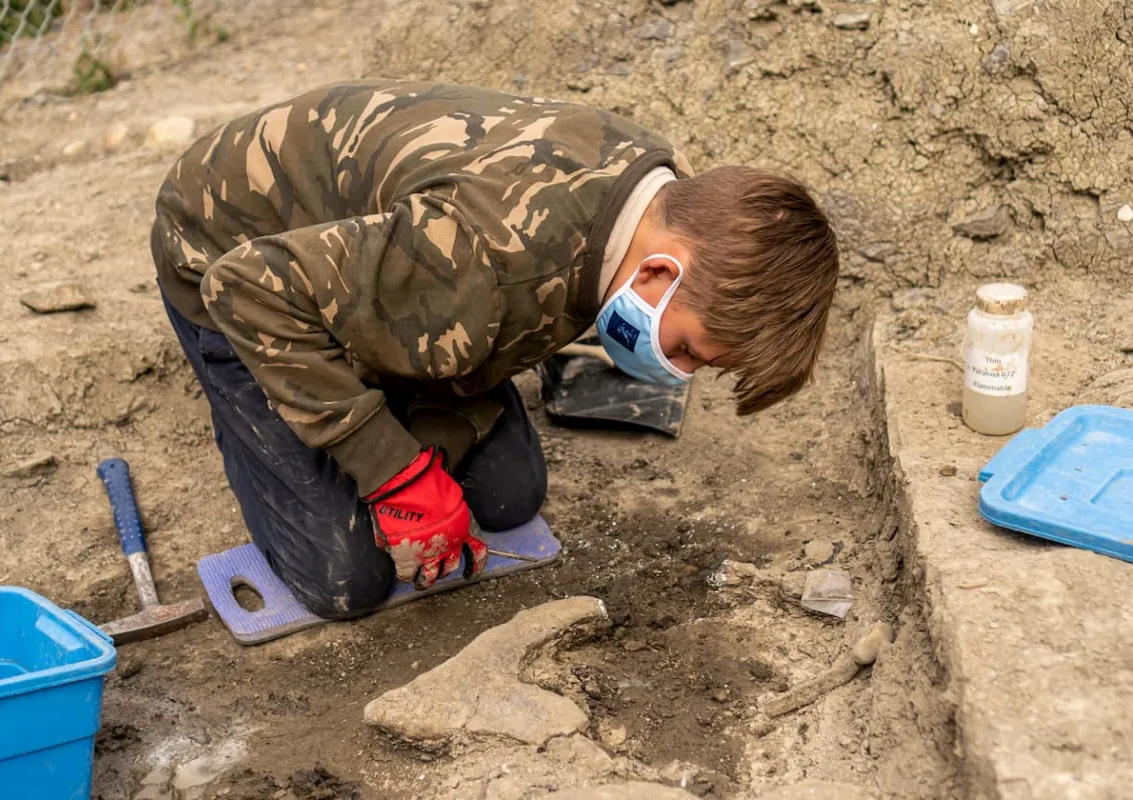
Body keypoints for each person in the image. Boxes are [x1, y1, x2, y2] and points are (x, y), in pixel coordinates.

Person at [150, 79, 839, 619]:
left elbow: (520, 317)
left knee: (510, 495)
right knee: (349, 577)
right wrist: (393, 473)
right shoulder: (481, 262)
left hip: (390, 268)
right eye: (688, 350)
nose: (677, 373)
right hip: (228, 260)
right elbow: (246, 288)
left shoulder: (666, 204)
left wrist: (434, 447)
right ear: (659, 272)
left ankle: (382, 345)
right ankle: (276, 402)